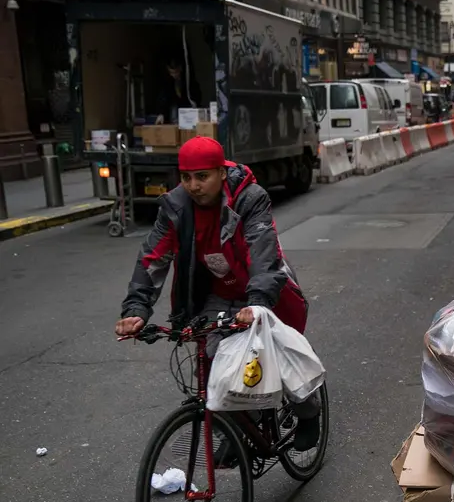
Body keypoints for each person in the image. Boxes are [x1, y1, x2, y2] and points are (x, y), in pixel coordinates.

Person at [116, 137, 320, 451]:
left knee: (281, 356)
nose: (193, 186)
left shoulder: (249, 198)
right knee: (214, 360)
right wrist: (136, 309)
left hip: (266, 290)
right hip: (218, 293)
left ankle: (309, 415)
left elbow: (264, 253)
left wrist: (258, 304)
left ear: (221, 173)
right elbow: (152, 259)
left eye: (202, 176)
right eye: (186, 177)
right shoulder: (175, 207)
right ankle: (236, 430)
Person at [153, 53, 203, 125]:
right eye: (171, 72)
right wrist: (161, 113)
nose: (174, 75)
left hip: (188, 113)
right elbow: (163, 98)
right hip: (174, 116)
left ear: (180, 68)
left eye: (175, 72)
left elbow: (196, 96)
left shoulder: (189, 80)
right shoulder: (168, 83)